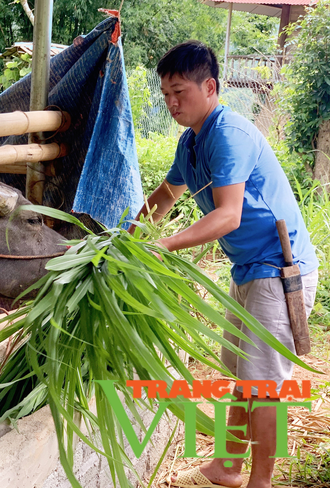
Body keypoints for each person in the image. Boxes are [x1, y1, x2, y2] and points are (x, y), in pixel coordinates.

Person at [130, 40, 319, 488]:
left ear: (209, 86)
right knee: (242, 375)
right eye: (166, 95)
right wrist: (128, 240)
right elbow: (164, 198)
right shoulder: (191, 143)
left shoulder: (229, 134)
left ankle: (262, 481)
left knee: (265, 387)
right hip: (248, 271)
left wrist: (165, 246)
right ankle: (229, 466)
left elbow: (228, 214)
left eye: (180, 92)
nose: (172, 103)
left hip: (277, 269)